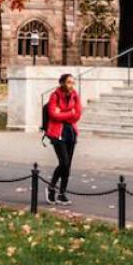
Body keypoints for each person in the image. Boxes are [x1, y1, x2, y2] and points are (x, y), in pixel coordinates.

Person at [45, 73, 82, 206]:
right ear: (62, 83)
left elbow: (77, 114)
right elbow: (53, 114)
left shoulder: (75, 95)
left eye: (72, 82)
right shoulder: (55, 96)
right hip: (57, 133)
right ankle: (51, 188)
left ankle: (62, 193)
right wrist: (69, 113)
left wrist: (63, 113)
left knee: (68, 165)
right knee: (64, 162)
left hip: (71, 132)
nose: (71, 85)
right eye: (68, 82)